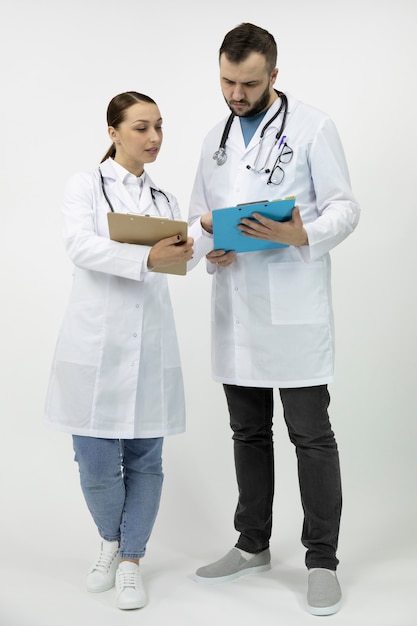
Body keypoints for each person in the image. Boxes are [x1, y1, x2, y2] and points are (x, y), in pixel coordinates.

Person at [187, 23, 360, 616]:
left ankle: (322, 560)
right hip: (237, 306)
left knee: (310, 436)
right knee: (247, 433)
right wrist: (209, 243)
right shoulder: (215, 139)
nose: (236, 93)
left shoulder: (313, 127)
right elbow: (198, 216)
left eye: (249, 83)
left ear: (274, 77)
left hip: (293, 307)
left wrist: (300, 232)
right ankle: (252, 543)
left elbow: (346, 207)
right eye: (227, 81)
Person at [44, 91, 196, 611]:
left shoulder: (166, 201)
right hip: (95, 341)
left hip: (150, 343)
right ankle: (110, 541)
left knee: (146, 460)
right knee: (95, 461)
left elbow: (175, 265)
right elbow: (79, 245)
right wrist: (145, 256)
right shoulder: (85, 185)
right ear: (112, 132)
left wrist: (200, 252)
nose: (153, 138)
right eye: (140, 128)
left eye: (158, 128)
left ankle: (131, 560)